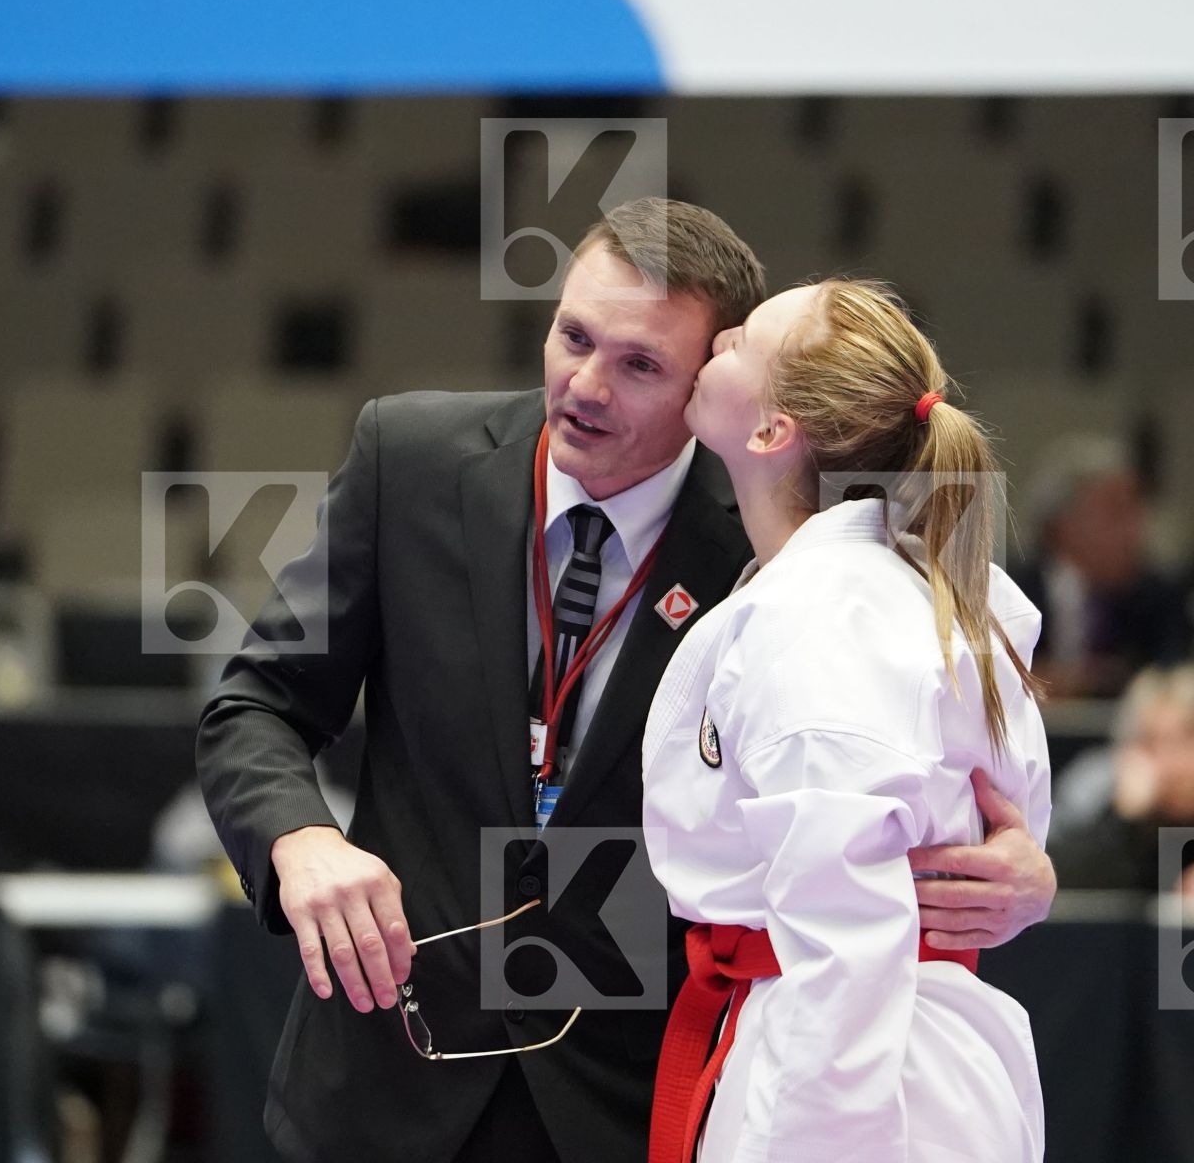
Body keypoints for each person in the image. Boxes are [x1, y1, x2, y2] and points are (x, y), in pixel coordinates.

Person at [196, 199, 1058, 1163]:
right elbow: (253, 705)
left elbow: (898, 777)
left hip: (625, 1097)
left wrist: (1019, 868)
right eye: (573, 336)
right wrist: (299, 838)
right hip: (388, 1076)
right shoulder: (412, 462)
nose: (585, 386)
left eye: (641, 364)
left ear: (708, 389)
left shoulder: (781, 551)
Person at [642, 278, 1052, 1162]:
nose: (717, 342)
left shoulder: (825, 620)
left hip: (855, 1075)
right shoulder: (916, 591)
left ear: (769, 430)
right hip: (889, 1055)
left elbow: (845, 946)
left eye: (740, 338)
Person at [1047, 664, 1194, 896]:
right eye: (1152, 743)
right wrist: (1124, 820)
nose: (1171, 764)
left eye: (1187, 740)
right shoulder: (1114, 812)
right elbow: (1057, 881)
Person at [1011, 435, 1194, 700]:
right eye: (1116, 512)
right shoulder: (1009, 588)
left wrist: (1093, 682)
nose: (1135, 531)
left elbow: (1173, 684)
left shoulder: (1163, 597)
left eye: (1137, 513)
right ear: (1062, 523)